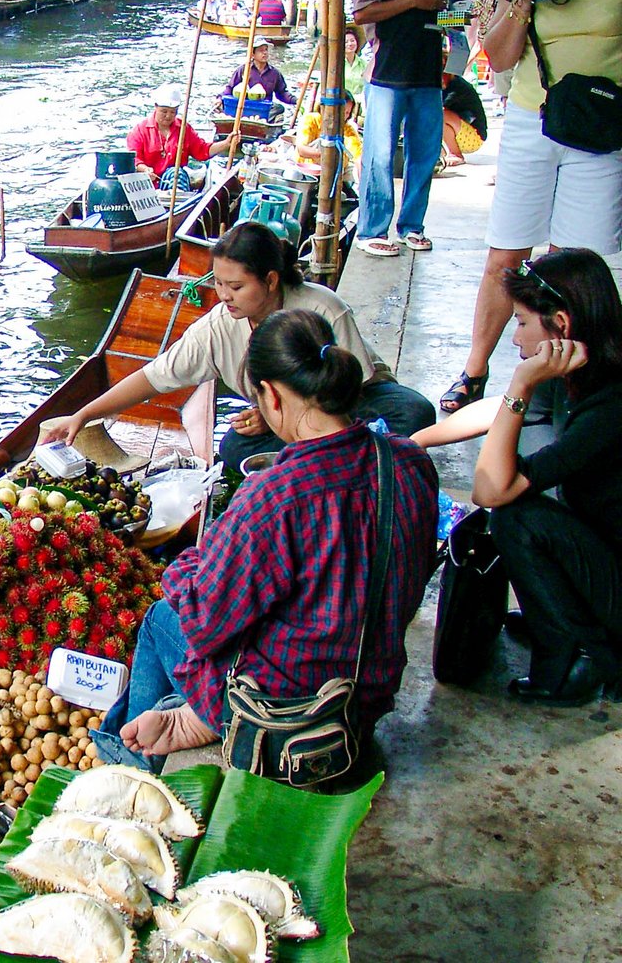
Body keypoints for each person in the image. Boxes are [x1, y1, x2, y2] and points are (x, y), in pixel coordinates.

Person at [96, 309, 439, 769]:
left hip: (286, 717)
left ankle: (131, 769)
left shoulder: (273, 497)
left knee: (163, 617)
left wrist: (186, 564)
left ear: (271, 398)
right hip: (364, 697)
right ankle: (190, 719)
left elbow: (204, 621)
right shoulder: (409, 462)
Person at [41, 223, 436, 471]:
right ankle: (334, 462)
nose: (224, 296)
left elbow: (351, 389)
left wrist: (278, 416)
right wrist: (83, 414)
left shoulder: (323, 309)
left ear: (270, 280)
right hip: (288, 421)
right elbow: (153, 377)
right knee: (234, 449)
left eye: (236, 287)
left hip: (352, 403)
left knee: (413, 411)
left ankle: (339, 462)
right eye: (219, 284)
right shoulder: (218, 328)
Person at [440, 0, 622, 413]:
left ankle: (567, 375)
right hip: (532, 118)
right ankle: (476, 371)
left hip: (598, 126)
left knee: (575, 259)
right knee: (508, 251)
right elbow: (497, 57)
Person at [413, 250, 622, 706]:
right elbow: (500, 409)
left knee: (513, 516)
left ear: (561, 325)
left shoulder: (611, 406)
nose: (515, 338)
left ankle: (579, 654)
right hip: (603, 545)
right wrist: (418, 441)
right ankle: (569, 616)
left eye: (523, 322)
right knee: (520, 490)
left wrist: (523, 384)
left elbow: (491, 488)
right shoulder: (581, 367)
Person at [352, 0, 447, 258]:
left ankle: (412, 225)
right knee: (379, 152)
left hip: (427, 70)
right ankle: (372, 228)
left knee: (424, 151)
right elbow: (360, 14)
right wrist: (412, 1)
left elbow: (436, 11)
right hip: (387, 71)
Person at [125, 85, 239, 189]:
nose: (168, 116)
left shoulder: (183, 129)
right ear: (156, 107)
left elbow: (202, 150)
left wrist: (226, 143)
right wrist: (145, 169)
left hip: (176, 181)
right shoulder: (139, 130)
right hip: (148, 185)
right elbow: (134, 159)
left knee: (175, 173)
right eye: (164, 111)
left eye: (172, 112)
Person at [286, 89, 363, 181]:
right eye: (341, 111)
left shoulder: (348, 129)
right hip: (306, 170)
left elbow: (358, 157)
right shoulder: (311, 119)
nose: (343, 116)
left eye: (347, 113)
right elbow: (301, 150)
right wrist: (326, 154)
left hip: (335, 173)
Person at [219, 41, 296, 105]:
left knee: (279, 109)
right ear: (253, 54)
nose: (265, 53)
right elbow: (230, 88)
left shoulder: (274, 73)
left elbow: (282, 93)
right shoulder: (244, 70)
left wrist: (295, 100)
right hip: (245, 106)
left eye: (266, 50)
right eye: (261, 50)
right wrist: (219, 98)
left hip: (265, 108)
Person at [440, 72, 488, 166]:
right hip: (459, 131)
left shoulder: (458, 87)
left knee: (439, 114)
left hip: (474, 137)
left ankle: (455, 154)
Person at [342, 25, 371, 102]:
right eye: (346, 42)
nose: (350, 44)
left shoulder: (363, 64)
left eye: (352, 40)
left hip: (360, 103)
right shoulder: (337, 65)